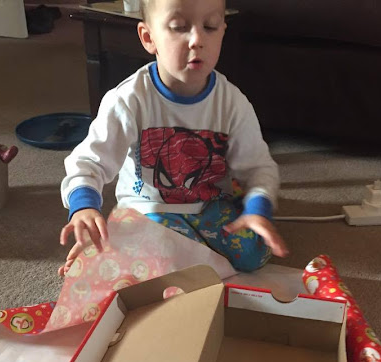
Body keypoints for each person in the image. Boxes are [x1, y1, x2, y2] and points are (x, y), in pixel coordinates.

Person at [59, 0, 288, 275]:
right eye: (179, 27)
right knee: (164, 257)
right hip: (150, 209)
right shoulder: (129, 100)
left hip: (210, 204)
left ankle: (146, 254)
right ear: (149, 37)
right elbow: (89, 161)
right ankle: (120, 251)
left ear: (222, 32)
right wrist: (84, 206)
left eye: (210, 27)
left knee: (253, 253)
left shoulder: (232, 102)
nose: (197, 40)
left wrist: (257, 209)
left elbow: (258, 167)